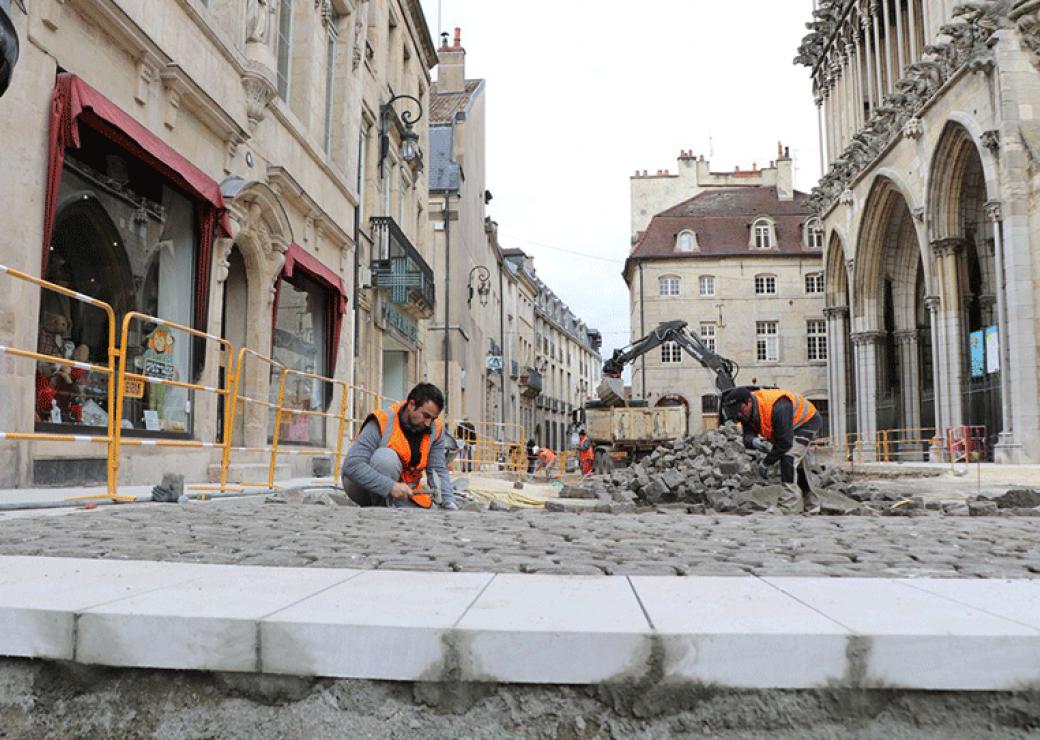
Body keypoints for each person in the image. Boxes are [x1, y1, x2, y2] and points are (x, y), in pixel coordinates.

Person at [341, 382, 458, 510]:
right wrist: (389, 486)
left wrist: (449, 502)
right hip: (362, 487)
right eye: (425, 416)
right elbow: (352, 465)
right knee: (385, 459)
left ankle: (392, 506)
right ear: (411, 405)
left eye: (433, 418)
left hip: (403, 492)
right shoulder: (382, 421)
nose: (428, 423)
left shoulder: (435, 429)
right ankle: (381, 511)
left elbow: (437, 469)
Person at [722, 386, 822, 514]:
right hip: (789, 428)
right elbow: (747, 435)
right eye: (736, 412)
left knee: (788, 457)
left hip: (806, 422)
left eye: (741, 410)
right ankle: (812, 505)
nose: (739, 414)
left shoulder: (778, 407)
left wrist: (766, 462)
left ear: (749, 402)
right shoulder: (746, 413)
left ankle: (788, 506)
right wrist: (753, 441)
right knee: (798, 467)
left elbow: (784, 443)